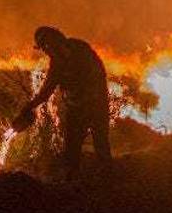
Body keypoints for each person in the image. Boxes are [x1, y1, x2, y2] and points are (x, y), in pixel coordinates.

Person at [13, 26, 112, 180]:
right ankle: (72, 181)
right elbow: (46, 90)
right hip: (76, 107)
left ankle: (108, 179)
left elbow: (99, 73)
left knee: (100, 140)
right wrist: (29, 107)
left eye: (46, 46)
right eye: (43, 48)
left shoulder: (81, 50)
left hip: (96, 102)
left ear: (55, 41)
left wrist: (89, 96)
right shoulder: (57, 65)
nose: (46, 52)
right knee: (72, 146)